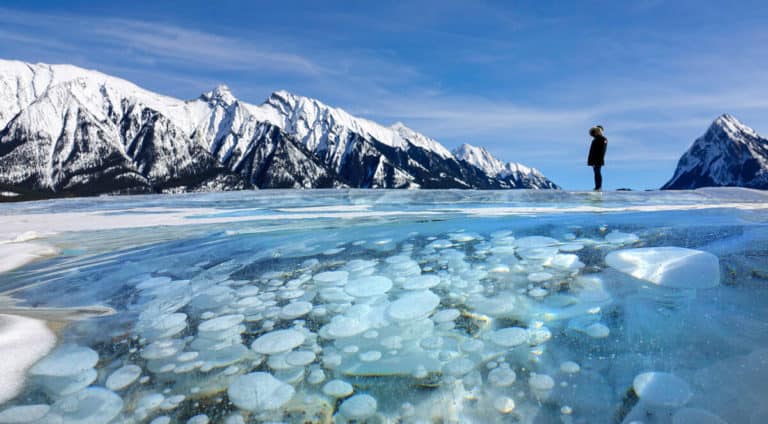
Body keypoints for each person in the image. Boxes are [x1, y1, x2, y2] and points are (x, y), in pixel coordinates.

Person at [587, 125, 607, 191]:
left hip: (598, 160)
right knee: (596, 173)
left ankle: (598, 187)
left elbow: (602, 151)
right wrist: (591, 161)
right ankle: (597, 187)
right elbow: (592, 151)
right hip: (594, 160)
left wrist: (598, 160)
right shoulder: (595, 139)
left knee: (597, 173)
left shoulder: (603, 139)